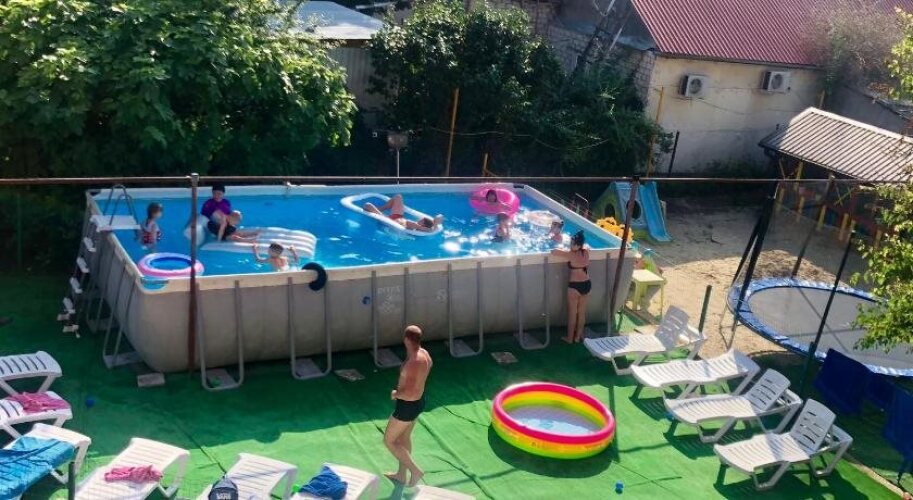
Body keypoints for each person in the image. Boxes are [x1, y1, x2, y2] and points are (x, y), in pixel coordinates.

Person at [384, 325, 432, 488]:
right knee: (404, 438)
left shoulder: (413, 362)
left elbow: (410, 393)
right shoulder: (424, 354)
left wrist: (396, 394)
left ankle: (415, 471)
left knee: (389, 441)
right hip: (418, 402)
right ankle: (401, 475)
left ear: (406, 339)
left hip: (407, 406)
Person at [550, 231, 590, 343]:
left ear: (578, 245)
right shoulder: (586, 252)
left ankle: (569, 338)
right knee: (581, 313)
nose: (570, 245)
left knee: (572, 314)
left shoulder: (570, 254)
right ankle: (577, 337)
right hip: (587, 283)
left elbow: (553, 251)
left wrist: (563, 249)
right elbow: (586, 247)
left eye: (572, 244)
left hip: (574, 286)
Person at [364, 194, 444, 233]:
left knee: (367, 205)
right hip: (397, 216)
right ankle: (380, 209)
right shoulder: (416, 224)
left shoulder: (416, 226)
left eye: (422, 220)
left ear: (423, 224)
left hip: (388, 220)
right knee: (398, 197)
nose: (420, 219)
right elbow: (440, 216)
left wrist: (435, 223)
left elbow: (431, 230)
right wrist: (436, 220)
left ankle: (377, 212)